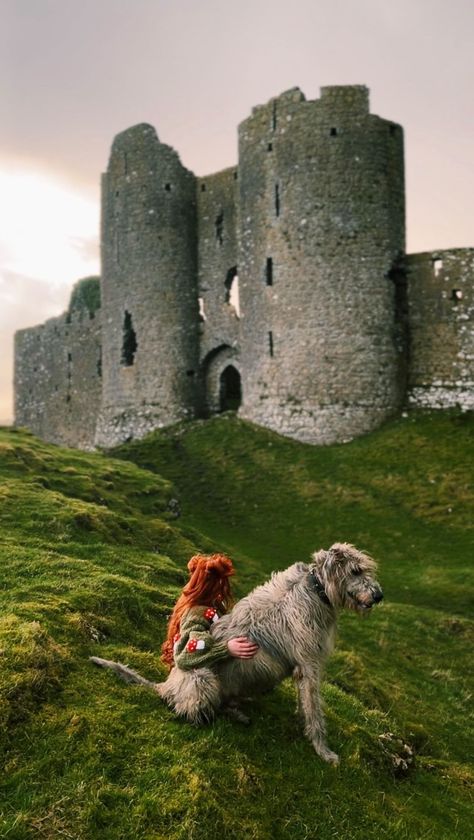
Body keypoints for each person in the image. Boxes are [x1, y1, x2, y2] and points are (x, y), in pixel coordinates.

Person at [161, 553, 258, 671]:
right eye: (221, 583)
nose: (225, 588)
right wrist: (226, 649)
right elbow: (183, 658)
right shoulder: (197, 613)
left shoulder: (208, 604)